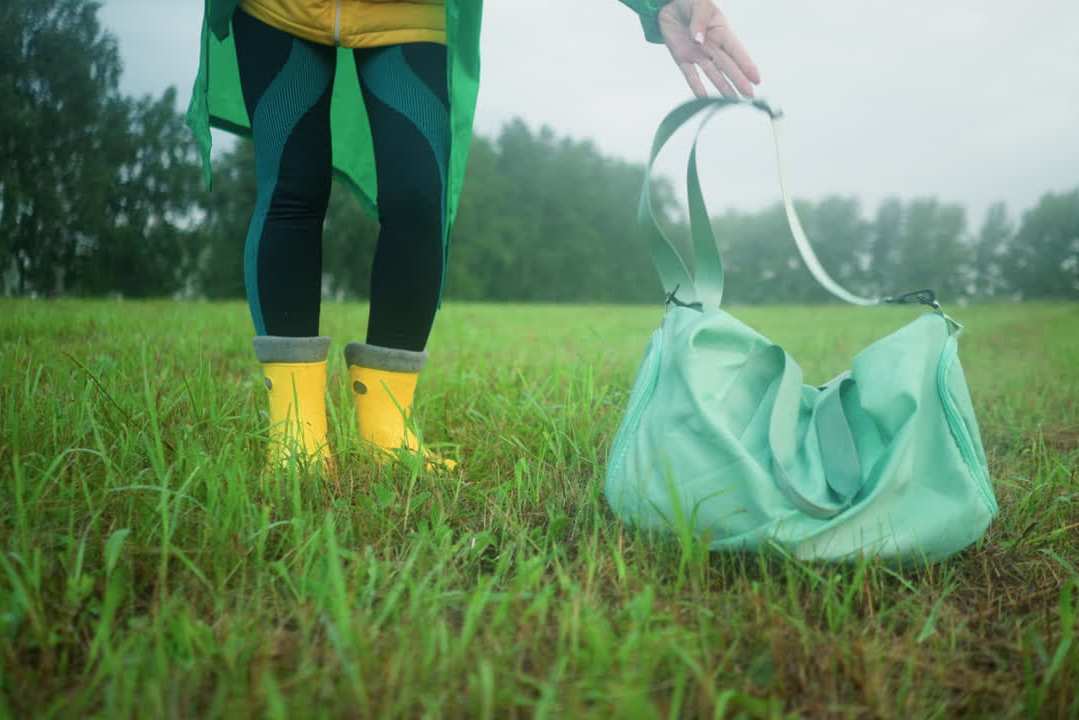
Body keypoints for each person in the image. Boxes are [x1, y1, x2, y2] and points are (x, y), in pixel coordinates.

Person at [185, 0, 760, 472]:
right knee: (292, 187)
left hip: (407, 12)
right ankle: (295, 429)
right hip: (277, 10)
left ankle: (385, 427)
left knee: (417, 198)